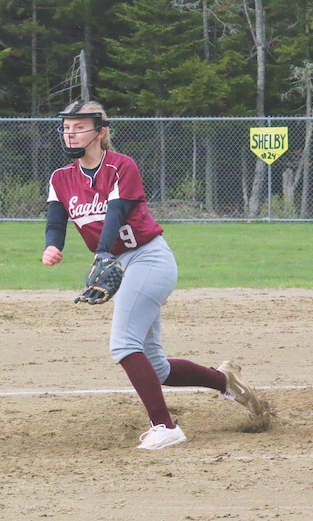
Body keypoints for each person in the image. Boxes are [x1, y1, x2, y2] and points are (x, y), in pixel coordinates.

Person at [42, 99, 266, 450]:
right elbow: (56, 221)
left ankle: (165, 427)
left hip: (148, 259)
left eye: (80, 127)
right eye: (67, 128)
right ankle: (224, 381)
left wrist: (102, 253)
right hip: (120, 264)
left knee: (123, 345)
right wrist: (52, 247)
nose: (71, 134)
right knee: (156, 368)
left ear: (100, 132)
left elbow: (115, 213)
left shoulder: (121, 166)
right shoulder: (60, 178)